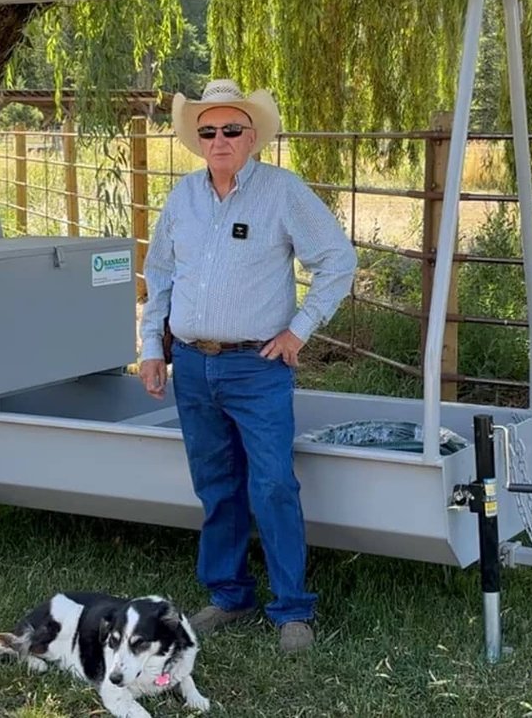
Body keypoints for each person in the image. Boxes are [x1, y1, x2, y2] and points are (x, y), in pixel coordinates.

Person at [137, 78, 358, 654]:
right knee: (216, 485)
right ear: (197, 139)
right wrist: (152, 346)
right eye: (208, 131)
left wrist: (299, 330)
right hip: (192, 364)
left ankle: (292, 610)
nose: (220, 140)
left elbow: (338, 260)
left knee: (274, 484)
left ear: (252, 136)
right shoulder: (182, 198)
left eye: (231, 129)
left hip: (256, 367)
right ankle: (229, 594)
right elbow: (159, 274)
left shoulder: (282, 193)